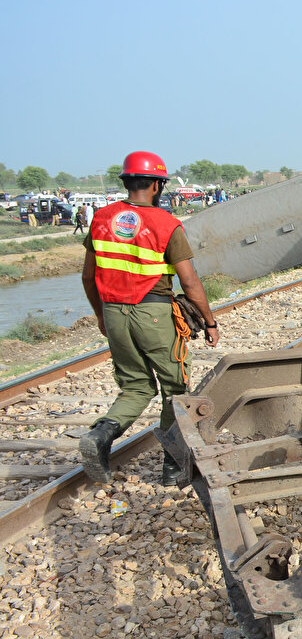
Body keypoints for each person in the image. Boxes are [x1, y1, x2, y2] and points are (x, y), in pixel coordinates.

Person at [79, 151, 220, 487]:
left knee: (136, 386)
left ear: (127, 182)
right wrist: (210, 321)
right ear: (157, 185)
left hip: (114, 312)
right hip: (153, 313)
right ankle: (173, 468)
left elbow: (88, 276)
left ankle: (100, 435)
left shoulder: (101, 219)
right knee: (175, 389)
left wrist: (101, 315)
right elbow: (189, 282)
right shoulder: (165, 224)